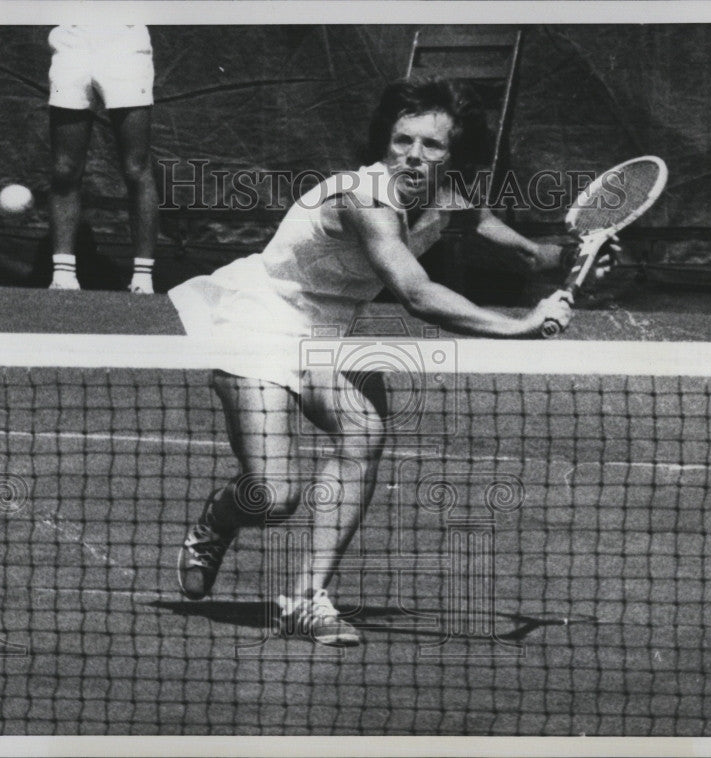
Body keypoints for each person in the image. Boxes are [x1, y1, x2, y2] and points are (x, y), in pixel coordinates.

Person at [169, 77, 609, 647]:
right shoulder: (364, 198)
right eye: (403, 140)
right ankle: (218, 519)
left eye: (432, 146)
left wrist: (580, 260)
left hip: (333, 328)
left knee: (364, 433)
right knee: (273, 496)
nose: (413, 156)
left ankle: (306, 599)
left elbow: (533, 255)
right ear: (385, 140)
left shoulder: (451, 198)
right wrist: (520, 326)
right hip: (260, 315)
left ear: (453, 155)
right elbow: (415, 293)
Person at [47, 25, 158, 294]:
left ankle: (143, 279)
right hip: (71, 43)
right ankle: (63, 276)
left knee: (136, 167)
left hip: (126, 45)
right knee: (64, 168)